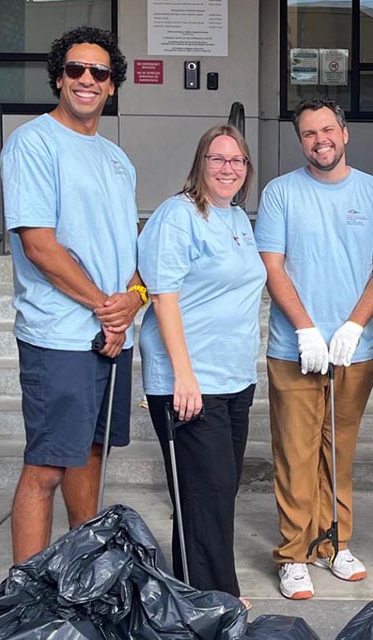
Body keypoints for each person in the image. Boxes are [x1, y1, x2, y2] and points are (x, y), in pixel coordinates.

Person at [2, 27, 146, 564]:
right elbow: (39, 245)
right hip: (60, 333)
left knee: (90, 454)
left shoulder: (116, 158)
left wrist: (133, 299)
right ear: (59, 78)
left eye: (100, 73)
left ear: (112, 86)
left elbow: (128, 247)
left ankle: (80, 577)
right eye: (76, 70)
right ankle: (26, 601)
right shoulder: (33, 142)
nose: (87, 80)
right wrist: (104, 309)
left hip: (109, 332)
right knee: (47, 466)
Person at [257, 99, 373, 600]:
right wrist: (305, 329)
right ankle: (294, 553)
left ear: (345, 133)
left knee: (338, 450)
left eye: (327, 130)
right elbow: (273, 266)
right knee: (296, 452)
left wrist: (355, 326)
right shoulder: (280, 193)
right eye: (309, 133)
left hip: (351, 350)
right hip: (295, 345)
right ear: (301, 141)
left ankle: (333, 543)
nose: (320, 140)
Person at [138, 124, 265, 604]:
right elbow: (164, 296)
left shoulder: (235, 219)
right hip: (190, 381)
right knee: (206, 494)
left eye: (237, 161)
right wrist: (182, 376)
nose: (228, 168)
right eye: (218, 159)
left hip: (233, 378)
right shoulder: (178, 215)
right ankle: (218, 597)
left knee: (215, 494)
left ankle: (195, 593)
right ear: (200, 163)